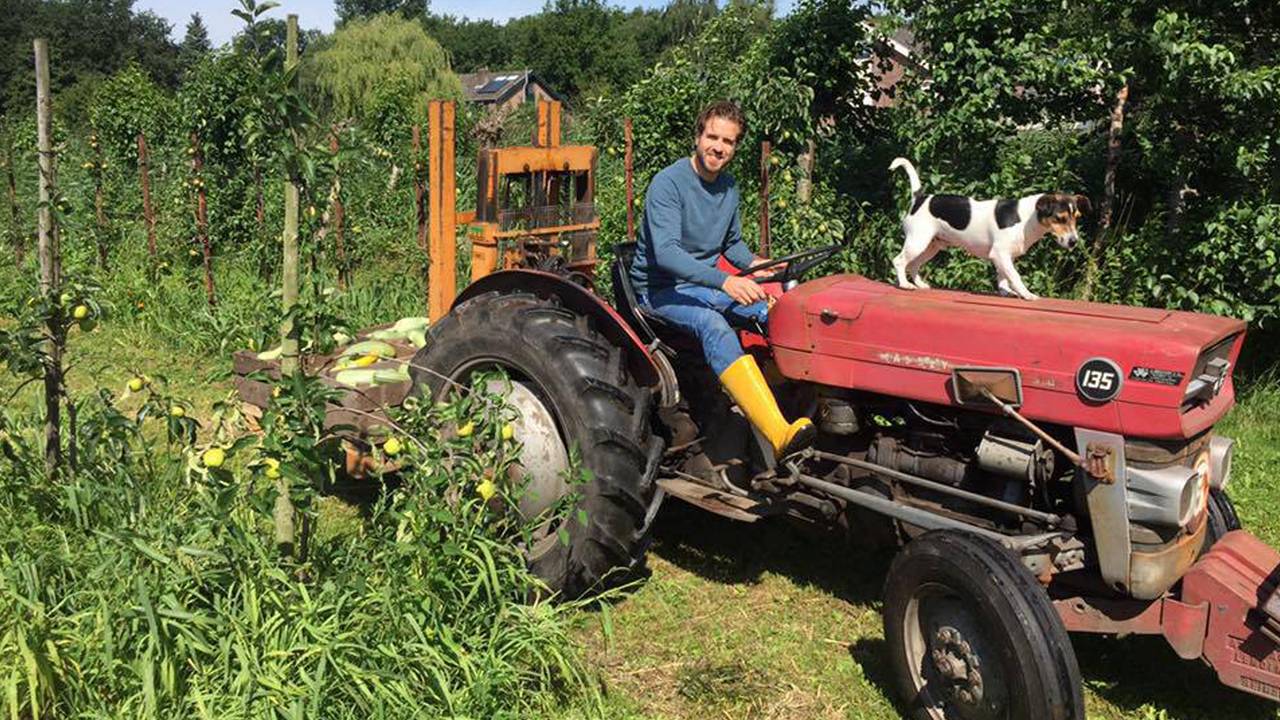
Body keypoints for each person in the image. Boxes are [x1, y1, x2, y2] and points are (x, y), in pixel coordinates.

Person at [630, 100, 815, 459]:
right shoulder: (668, 184)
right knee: (714, 324)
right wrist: (726, 282)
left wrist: (761, 265)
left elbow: (732, 246)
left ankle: (797, 401)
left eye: (728, 141)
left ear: (735, 146)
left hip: (701, 283)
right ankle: (778, 435)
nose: (718, 147)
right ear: (698, 137)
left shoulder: (728, 187)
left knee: (773, 309)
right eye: (712, 137)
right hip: (661, 289)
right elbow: (667, 255)